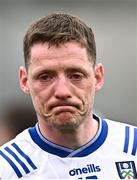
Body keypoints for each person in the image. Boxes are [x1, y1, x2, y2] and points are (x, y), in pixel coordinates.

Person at [0, 13, 137, 179]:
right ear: (25, 81)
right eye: (45, 77)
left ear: (98, 77)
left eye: (76, 75)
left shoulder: (133, 148)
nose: (62, 92)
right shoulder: (7, 169)